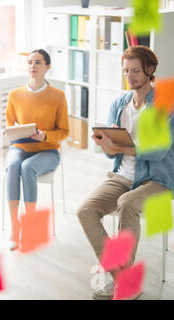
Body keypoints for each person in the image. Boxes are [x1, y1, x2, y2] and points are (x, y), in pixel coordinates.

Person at [76, 45, 174, 300]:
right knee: (85, 210)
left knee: (127, 203)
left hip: (156, 180)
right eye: (125, 71)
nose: (129, 76)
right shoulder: (120, 103)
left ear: (150, 70)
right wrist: (106, 144)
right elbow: (113, 154)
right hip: (121, 176)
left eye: (135, 71)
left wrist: (117, 145)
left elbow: (157, 152)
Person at [5, 49, 69, 250]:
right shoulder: (15, 95)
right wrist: (17, 133)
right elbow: (9, 126)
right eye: (30, 62)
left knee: (27, 168)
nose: (33, 66)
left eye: (38, 62)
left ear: (47, 67)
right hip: (20, 146)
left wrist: (45, 136)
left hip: (48, 151)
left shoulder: (58, 96)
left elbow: (64, 131)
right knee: (14, 165)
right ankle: (15, 227)